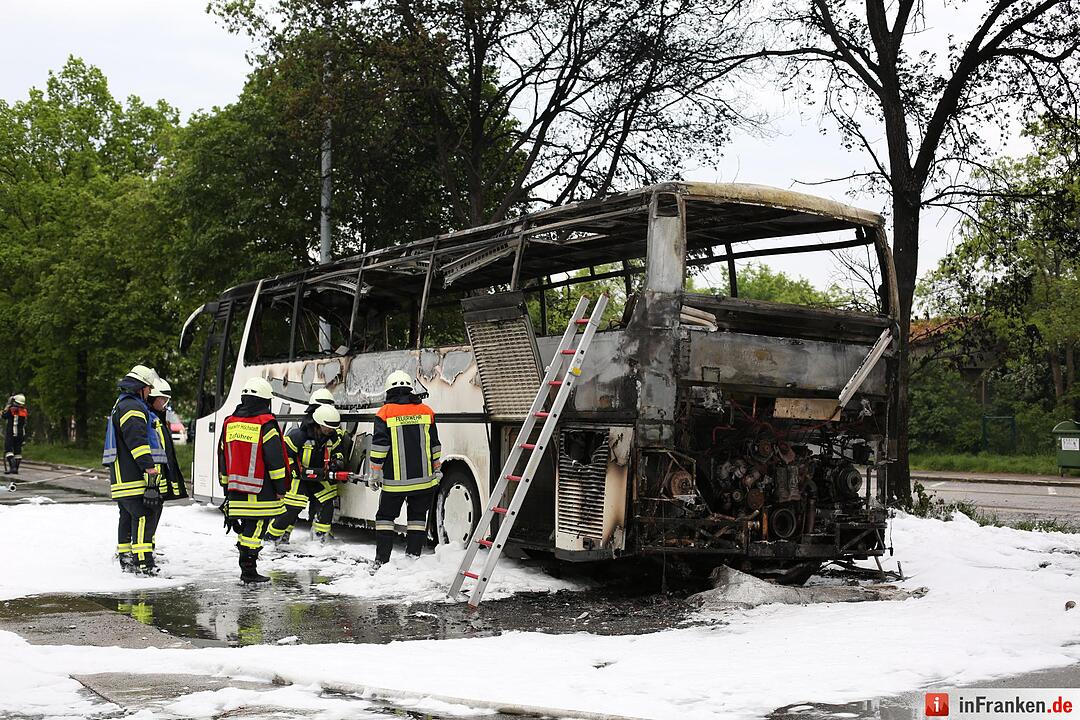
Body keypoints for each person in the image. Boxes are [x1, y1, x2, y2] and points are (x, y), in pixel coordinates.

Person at [218, 376, 289, 583]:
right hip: (261, 491)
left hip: (236, 489)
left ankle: (247, 568)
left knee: (248, 528)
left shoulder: (230, 422)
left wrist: (225, 486)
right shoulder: (266, 424)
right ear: (266, 401)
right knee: (256, 527)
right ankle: (248, 571)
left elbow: (222, 454)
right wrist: (281, 487)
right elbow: (275, 460)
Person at [369, 371, 442, 571]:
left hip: (395, 483)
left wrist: (375, 472)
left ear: (389, 391)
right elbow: (435, 445)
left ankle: (382, 561)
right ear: (411, 389)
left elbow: (380, 447)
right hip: (424, 481)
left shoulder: (384, 413)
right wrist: (437, 469)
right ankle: (413, 558)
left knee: (385, 518)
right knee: (417, 519)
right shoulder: (426, 411)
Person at [103, 365, 168, 575]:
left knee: (128, 516)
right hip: (133, 477)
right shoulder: (132, 407)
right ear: (140, 387)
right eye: (148, 388)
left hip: (123, 477)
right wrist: (149, 468)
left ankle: (126, 557)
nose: (150, 392)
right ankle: (144, 564)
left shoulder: (122, 404)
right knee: (143, 516)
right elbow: (137, 442)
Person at [265, 404, 343, 545]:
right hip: (298, 477)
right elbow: (284, 455)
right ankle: (271, 538)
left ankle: (320, 539)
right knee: (290, 509)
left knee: (327, 506)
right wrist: (294, 469)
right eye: (327, 426)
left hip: (320, 477)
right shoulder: (298, 436)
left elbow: (338, 451)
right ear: (318, 423)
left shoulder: (333, 437)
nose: (330, 430)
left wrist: (336, 461)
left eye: (333, 427)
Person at [149, 379, 189, 512]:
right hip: (152, 479)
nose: (165, 404)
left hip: (160, 480)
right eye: (163, 399)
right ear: (151, 398)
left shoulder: (159, 419)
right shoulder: (150, 419)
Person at [3, 394, 28, 475]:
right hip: (21, 434)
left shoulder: (12, 409)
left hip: (11, 433)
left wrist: (7, 406)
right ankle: (16, 468)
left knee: (8, 449)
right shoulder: (24, 411)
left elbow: (4, 415)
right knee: (18, 451)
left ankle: (12, 468)